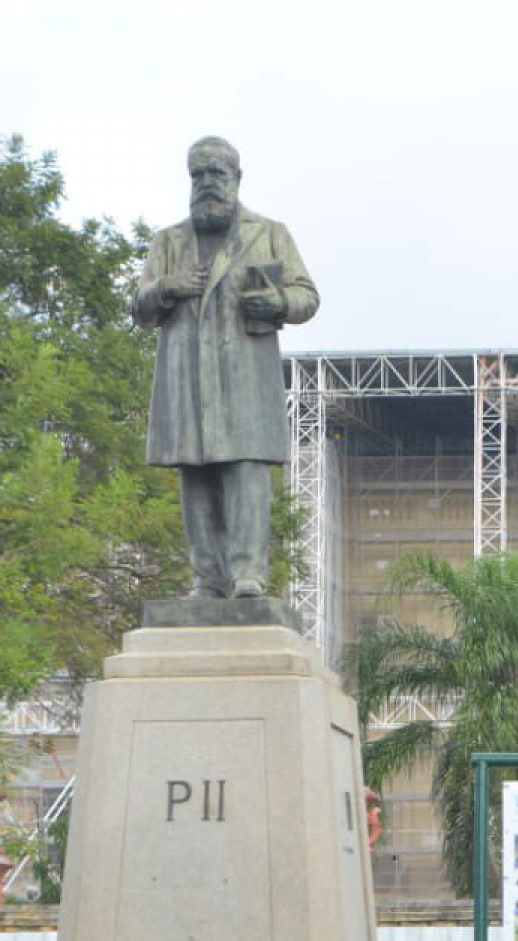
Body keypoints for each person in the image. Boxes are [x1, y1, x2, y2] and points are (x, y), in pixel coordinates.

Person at [131, 136, 320, 599]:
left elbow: (307, 297)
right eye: (198, 175)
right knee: (194, 475)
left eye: (216, 173)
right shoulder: (169, 242)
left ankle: (248, 573)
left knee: (246, 471)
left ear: (237, 177)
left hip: (245, 378)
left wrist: (276, 301)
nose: (207, 184)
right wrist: (165, 288)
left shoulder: (268, 232)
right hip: (186, 378)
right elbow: (139, 308)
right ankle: (208, 578)